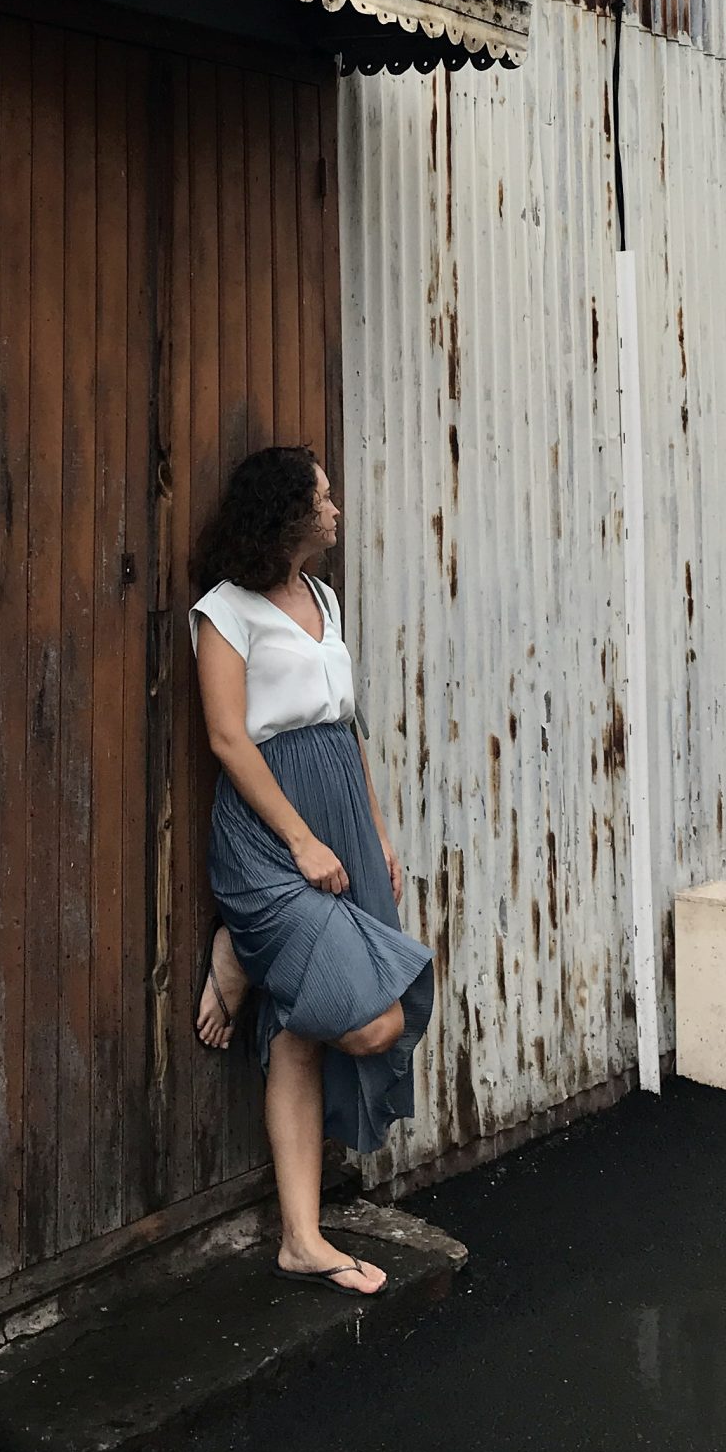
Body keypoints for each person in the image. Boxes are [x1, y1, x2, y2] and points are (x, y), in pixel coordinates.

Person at [189, 445, 434, 1297]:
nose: (335, 510)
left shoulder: (323, 597)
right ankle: (241, 944)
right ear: (286, 513)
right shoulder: (226, 611)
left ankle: (300, 1238)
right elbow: (228, 738)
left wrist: (377, 833)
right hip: (272, 831)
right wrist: (300, 840)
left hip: (342, 820)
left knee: (302, 1028)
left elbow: (348, 725)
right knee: (371, 1023)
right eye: (323, 498)